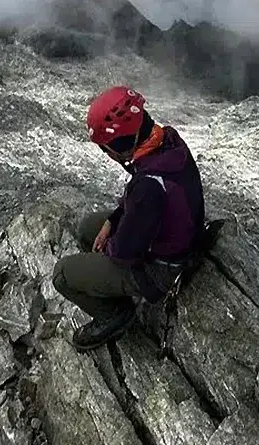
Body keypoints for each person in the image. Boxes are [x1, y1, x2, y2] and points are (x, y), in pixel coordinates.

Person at [52, 85, 205, 351]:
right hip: (175, 238)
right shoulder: (165, 139)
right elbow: (142, 198)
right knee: (89, 226)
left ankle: (115, 314)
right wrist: (113, 220)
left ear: (115, 146)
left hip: (159, 270)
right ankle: (104, 280)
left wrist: (108, 250)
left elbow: (124, 252)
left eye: (104, 149)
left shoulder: (148, 187)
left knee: (63, 275)